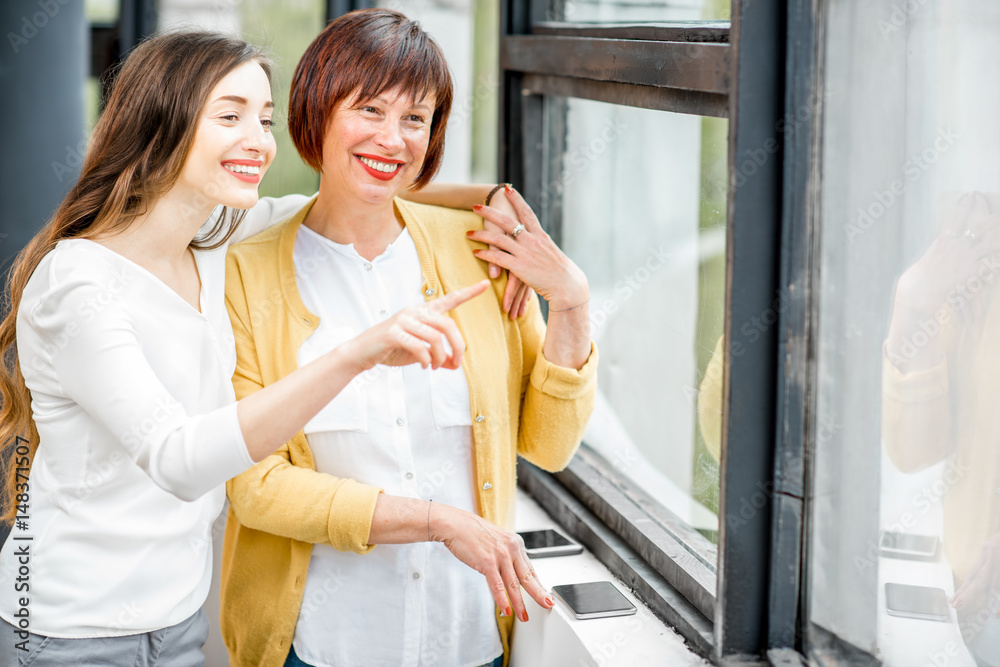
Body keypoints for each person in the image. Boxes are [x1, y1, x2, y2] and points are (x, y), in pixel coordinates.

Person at [0, 30, 519, 666]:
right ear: (161, 121)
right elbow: (178, 460)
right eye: (231, 116)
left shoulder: (214, 242)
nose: (260, 140)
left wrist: (495, 203)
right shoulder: (78, 282)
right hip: (67, 627)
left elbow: (360, 190)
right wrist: (358, 353)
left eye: (266, 119)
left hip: (178, 617)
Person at [218, 10, 597, 667]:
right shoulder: (246, 274)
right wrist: (437, 521)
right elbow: (256, 485)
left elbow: (549, 442)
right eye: (370, 109)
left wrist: (570, 301)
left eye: (416, 118)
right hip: (320, 643)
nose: (393, 139)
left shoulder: (478, 249)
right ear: (316, 109)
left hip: (468, 639)